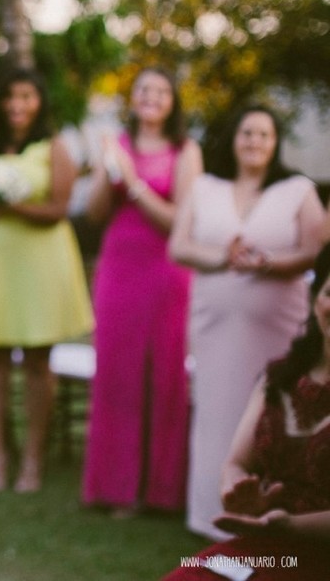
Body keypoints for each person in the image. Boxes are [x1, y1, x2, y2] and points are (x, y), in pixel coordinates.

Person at [169, 104, 324, 540]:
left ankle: (268, 508)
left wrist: (267, 263)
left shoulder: (297, 189)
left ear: (275, 144)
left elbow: (316, 252)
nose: (254, 141)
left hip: (276, 324)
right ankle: (208, 511)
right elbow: (179, 246)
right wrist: (223, 257)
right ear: (233, 139)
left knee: (266, 412)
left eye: (264, 135)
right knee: (215, 409)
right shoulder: (205, 187)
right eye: (247, 132)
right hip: (214, 323)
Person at [0, 67, 94, 493]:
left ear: (39, 101)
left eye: (27, 96)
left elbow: (59, 208)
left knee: (36, 362)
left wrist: (11, 205)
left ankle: (32, 459)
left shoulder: (55, 147)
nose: (17, 105)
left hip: (40, 260)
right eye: (11, 96)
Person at [82, 67, 203, 516]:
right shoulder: (119, 146)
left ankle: (162, 491)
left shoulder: (186, 152)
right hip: (118, 270)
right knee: (118, 376)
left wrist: (132, 181)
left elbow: (179, 221)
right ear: (132, 100)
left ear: (172, 102)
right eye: (143, 90)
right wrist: (105, 170)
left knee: (164, 375)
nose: (151, 97)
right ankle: (116, 489)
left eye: (160, 91)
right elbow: (95, 214)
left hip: (166, 273)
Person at [160, 273, 330, 580]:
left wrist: (289, 525)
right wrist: (236, 492)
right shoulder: (280, 378)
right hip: (268, 549)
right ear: (316, 299)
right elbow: (237, 462)